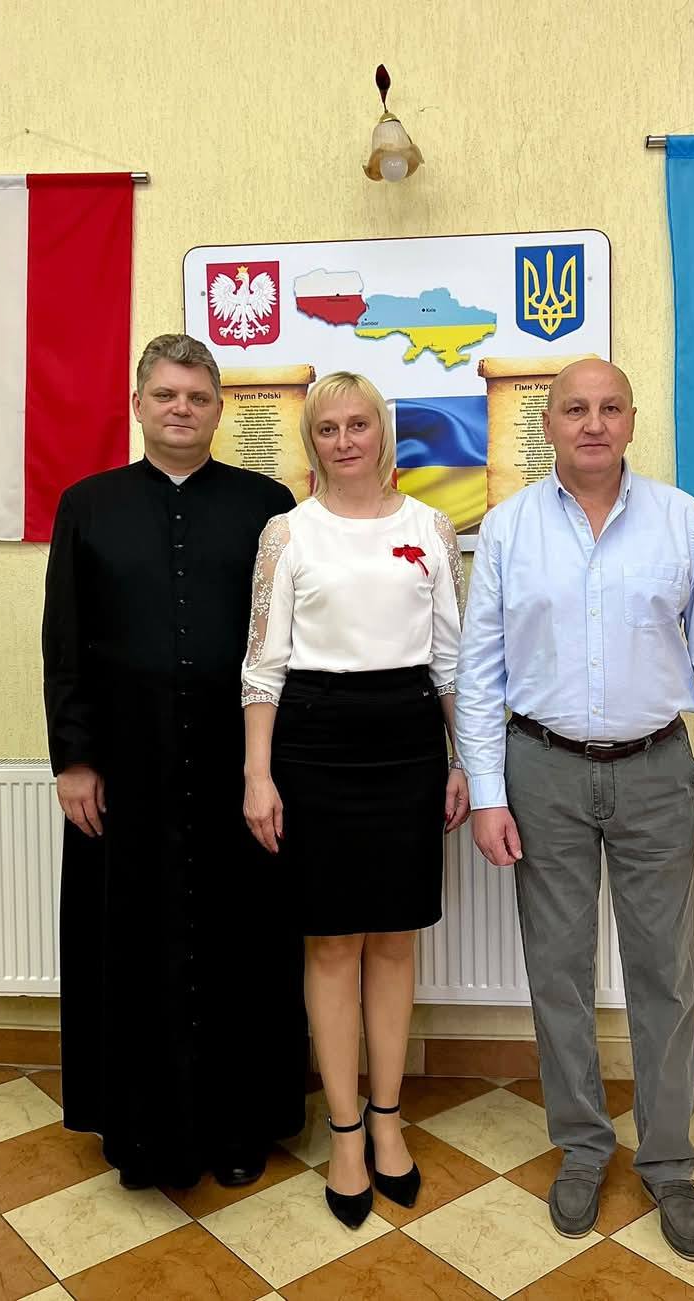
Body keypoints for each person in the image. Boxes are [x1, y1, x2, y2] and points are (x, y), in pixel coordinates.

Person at [455, 358, 694, 1260]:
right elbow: (480, 675)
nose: (593, 423)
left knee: (664, 971)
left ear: (632, 420)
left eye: (610, 407)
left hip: (656, 770)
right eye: (575, 409)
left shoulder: (681, 520)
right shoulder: (508, 528)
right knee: (557, 969)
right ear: (547, 423)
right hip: (540, 769)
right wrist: (488, 792)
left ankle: (668, 1161)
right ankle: (583, 1147)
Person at [42, 333, 307, 1191]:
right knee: (135, 946)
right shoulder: (88, 506)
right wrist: (74, 759)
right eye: (165, 395)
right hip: (128, 769)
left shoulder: (268, 505)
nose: (181, 409)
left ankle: (241, 1124)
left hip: (241, 766)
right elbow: (65, 641)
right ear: (138, 405)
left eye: (197, 396)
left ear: (219, 408)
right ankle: (142, 1135)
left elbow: (288, 637)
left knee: (243, 948)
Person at [241, 371, 469, 1227]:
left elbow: (450, 661)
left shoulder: (432, 529)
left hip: (408, 743)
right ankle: (344, 1132)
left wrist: (466, 761)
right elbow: (262, 667)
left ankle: (387, 1120)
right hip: (314, 744)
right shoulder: (287, 533)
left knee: (394, 940)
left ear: (384, 432)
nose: (345, 440)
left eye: (358, 423)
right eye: (328, 427)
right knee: (333, 943)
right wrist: (257, 774)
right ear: (312, 440)